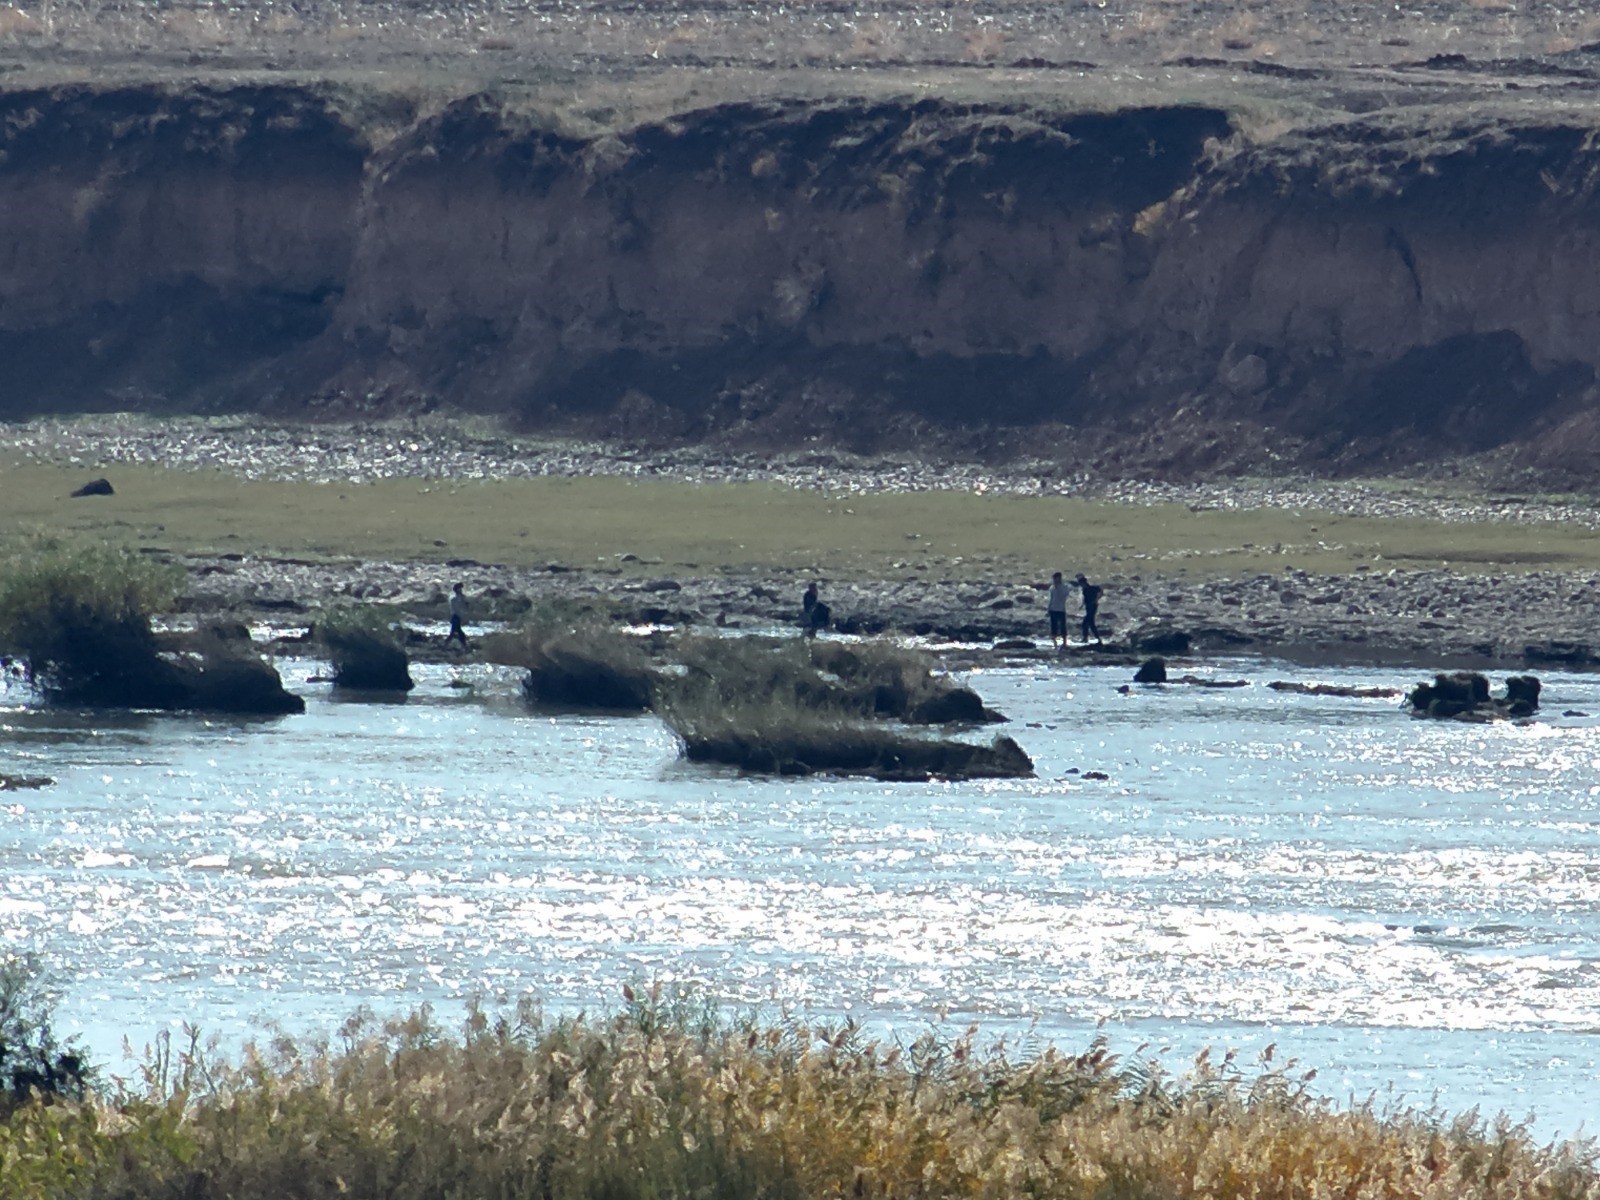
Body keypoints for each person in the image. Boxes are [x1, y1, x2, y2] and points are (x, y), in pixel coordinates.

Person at [1046, 571, 1072, 651]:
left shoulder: (1064, 587)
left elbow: (1064, 596)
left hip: (1061, 609)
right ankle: (1055, 644)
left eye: (1056, 579)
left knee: (1062, 626)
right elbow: (1051, 599)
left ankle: (1064, 643)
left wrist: (1059, 588)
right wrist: (1049, 608)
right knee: (1053, 627)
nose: (1055, 580)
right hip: (1053, 609)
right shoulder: (1052, 588)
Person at [1075, 573, 1102, 644]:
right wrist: (1082, 605)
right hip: (1089, 607)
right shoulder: (1085, 590)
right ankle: (1089, 638)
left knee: (1088, 623)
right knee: (1088, 623)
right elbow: (1085, 599)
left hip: (1092, 608)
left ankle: (1094, 638)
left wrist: (1096, 599)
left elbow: (1100, 590)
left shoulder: (1091, 589)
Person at [446, 582, 471, 649]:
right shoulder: (455, 598)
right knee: (458, 632)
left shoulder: (457, 598)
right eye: (460, 589)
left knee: (454, 632)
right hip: (456, 617)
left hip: (457, 617)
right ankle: (464, 645)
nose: (461, 590)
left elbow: (464, 607)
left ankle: (446, 644)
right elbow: (458, 608)